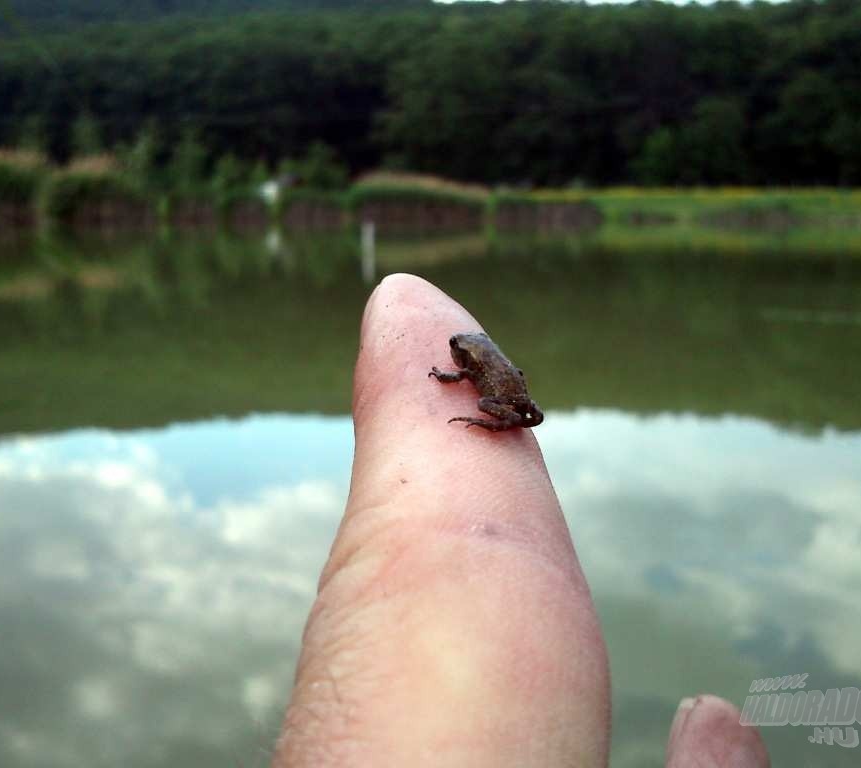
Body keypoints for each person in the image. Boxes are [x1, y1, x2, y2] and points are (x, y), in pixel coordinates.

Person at [274, 274, 771, 767]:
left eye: (459, 351)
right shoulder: (481, 364)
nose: (456, 354)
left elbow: (458, 379)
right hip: (518, 397)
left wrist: (477, 409)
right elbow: (519, 405)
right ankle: (496, 418)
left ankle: (489, 421)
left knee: (487, 406)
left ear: (470, 355)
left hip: (505, 401)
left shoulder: (470, 372)